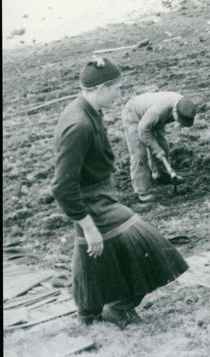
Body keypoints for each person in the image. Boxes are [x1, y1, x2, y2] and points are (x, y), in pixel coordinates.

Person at [51, 57, 188, 329]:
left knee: (94, 258)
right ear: (100, 89)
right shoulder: (78, 125)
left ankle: (89, 315)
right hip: (92, 203)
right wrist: (88, 226)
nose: (120, 94)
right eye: (116, 88)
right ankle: (118, 308)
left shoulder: (90, 111)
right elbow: (62, 187)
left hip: (100, 195)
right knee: (153, 249)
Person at [123, 91, 197, 202]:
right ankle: (142, 192)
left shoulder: (184, 105)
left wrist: (159, 148)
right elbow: (143, 130)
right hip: (134, 115)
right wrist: (156, 149)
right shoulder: (157, 111)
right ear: (175, 111)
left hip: (153, 120)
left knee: (163, 146)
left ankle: (162, 175)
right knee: (139, 154)